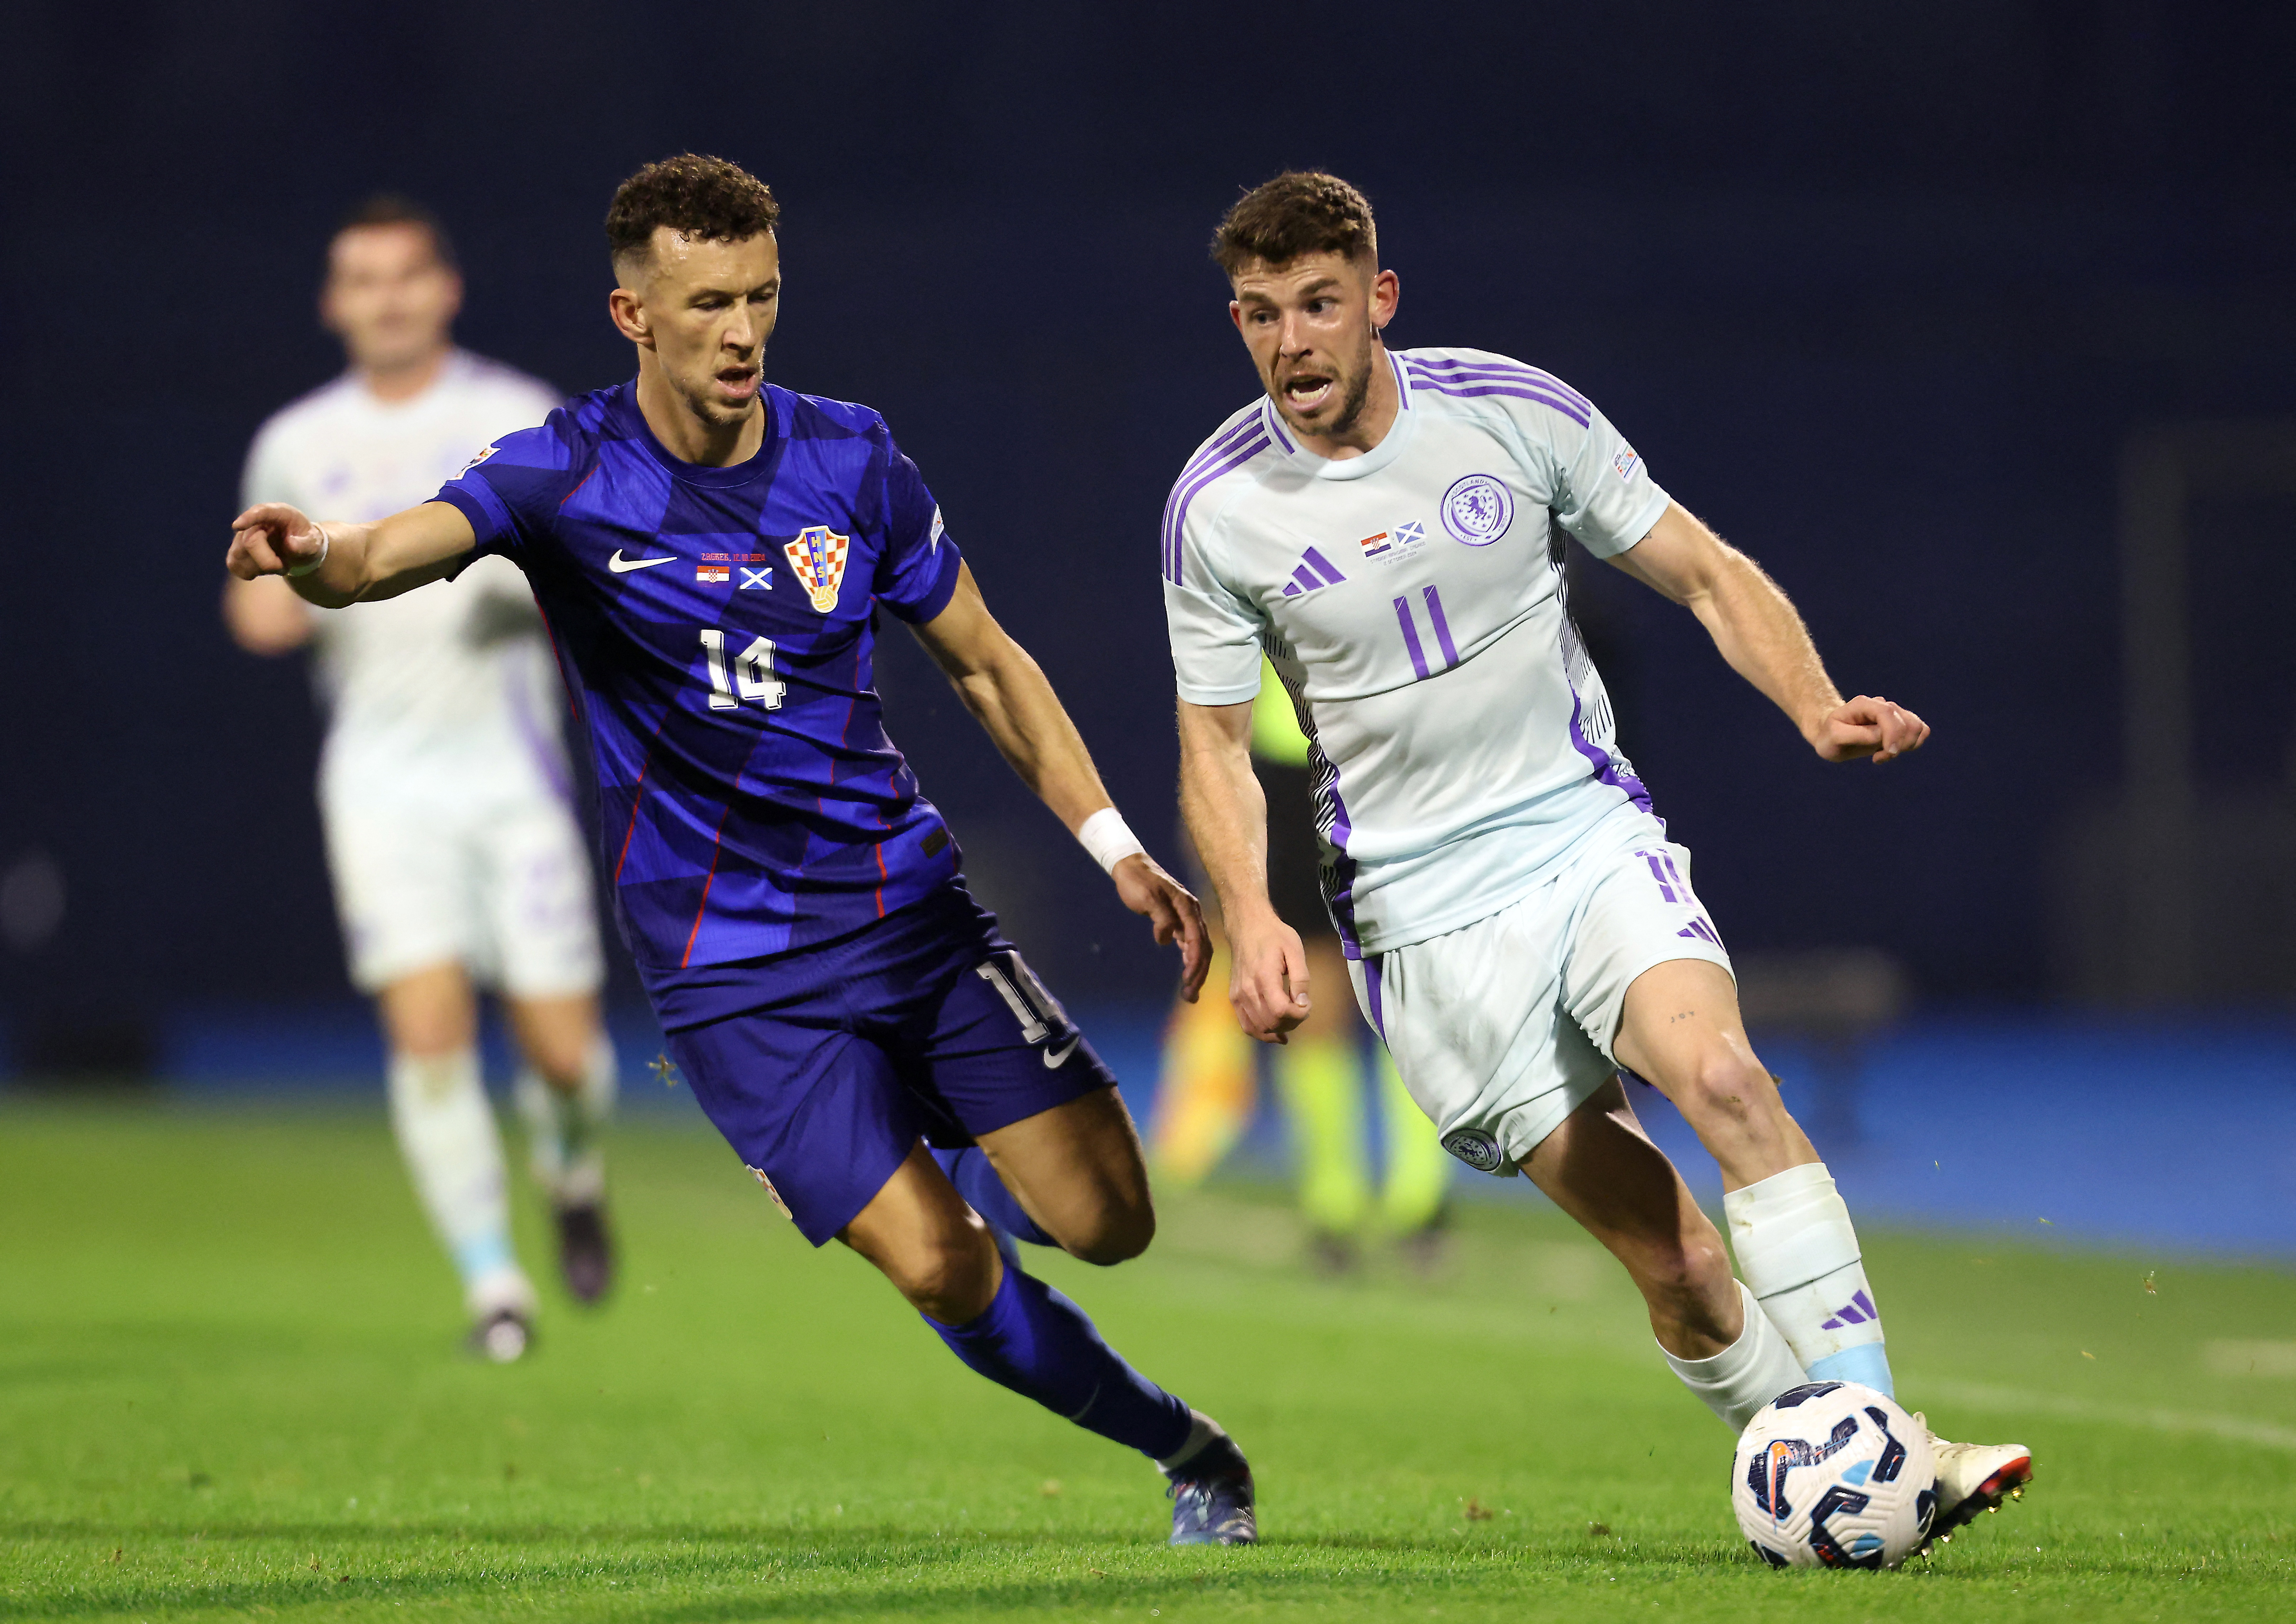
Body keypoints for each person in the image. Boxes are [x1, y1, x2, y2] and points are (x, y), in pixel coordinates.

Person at [226, 154, 1256, 1547]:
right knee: (946, 1277)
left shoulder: (849, 457)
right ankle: (1186, 1448)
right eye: (707, 301)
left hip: (911, 918)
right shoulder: (566, 471)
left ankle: (934, 1158)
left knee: (1109, 1223)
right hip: (733, 975)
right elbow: (391, 554)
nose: (741, 331)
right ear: (632, 315)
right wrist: (314, 554)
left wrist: (1117, 851)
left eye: (761, 296)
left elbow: (990, 667)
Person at [1161, 171, 2030, 1550]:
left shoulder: (1513, 412)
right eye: (1262, 316)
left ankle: (1879, 1448)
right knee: (1675, 1261)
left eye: (1320, 305)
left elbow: (1701, 567)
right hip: (1419, 919)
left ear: (1379, 300)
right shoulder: (1219, 509)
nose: (1292, 343)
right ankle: (1828, 1471)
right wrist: (1252, 909)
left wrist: (1813, 702)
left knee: (1728, 1078)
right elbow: (1213, 746)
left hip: (1578, 833)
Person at [225, 196, 618, 1362]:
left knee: (561, 1050)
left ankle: (574, 1164)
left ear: (443, 287)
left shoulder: (508, 414)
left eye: (405, 276)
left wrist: (517, 583)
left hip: (513, 773)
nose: (386, 297)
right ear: (334, 303)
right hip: (381, 780)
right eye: (363, 279)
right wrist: (283, 584)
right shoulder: (297, 439)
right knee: (430, 1030)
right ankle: (498, 1288)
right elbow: (255, 611)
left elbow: (589, 566)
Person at [1150, 656, 1450, 1272]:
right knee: (1319, 991)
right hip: (1303, 767)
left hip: (1387, 760)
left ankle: (1409, 1201)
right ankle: (1343, 1206)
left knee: (1402, 984)